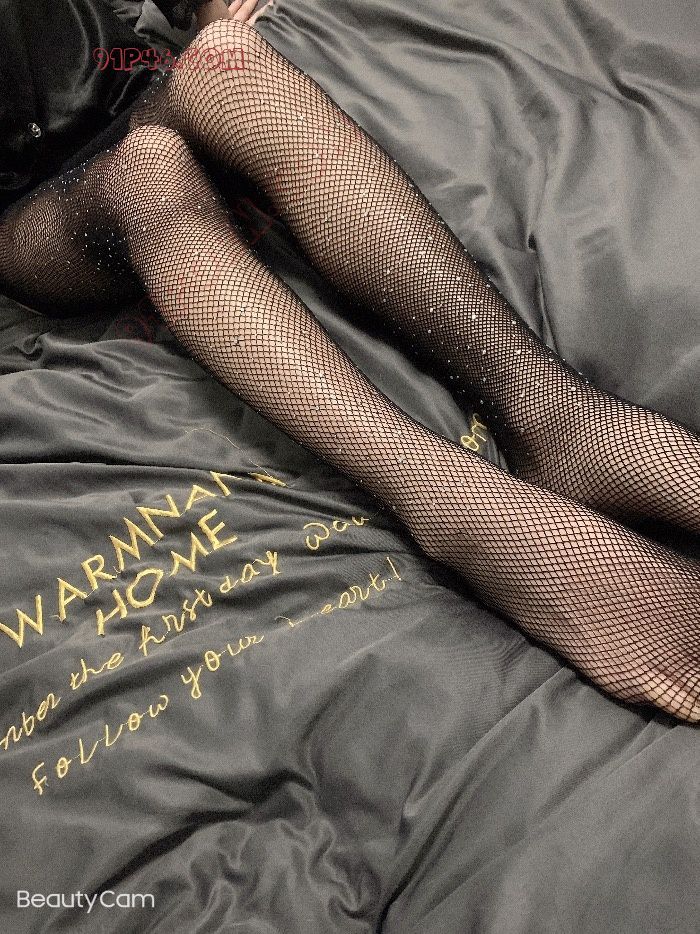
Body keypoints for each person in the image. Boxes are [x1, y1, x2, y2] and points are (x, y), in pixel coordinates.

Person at [0, 11, 698, 721]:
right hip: (29, 211)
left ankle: (562, 421)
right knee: (148, 171)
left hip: (132, 90)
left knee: (225, 57)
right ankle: (465, 512)